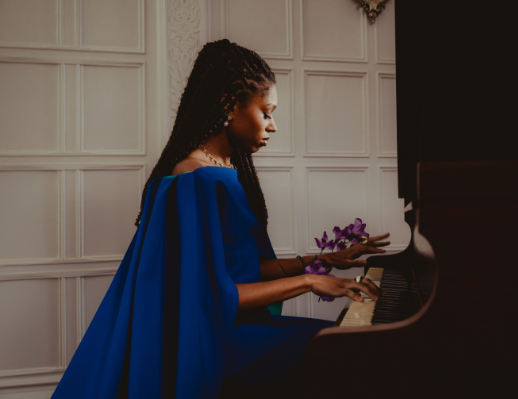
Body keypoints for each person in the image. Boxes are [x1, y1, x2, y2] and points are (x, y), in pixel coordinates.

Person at [51, 39, 390, 399]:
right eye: (266, 111)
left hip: (236, 328)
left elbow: (246, 268)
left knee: (341, 343)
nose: (273, 126)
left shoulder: (224, 171)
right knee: (343, 351)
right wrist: (309, 282)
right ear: (231, 105)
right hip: (212, 342)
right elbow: (212, 297)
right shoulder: (194, 180)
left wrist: (322, 261)